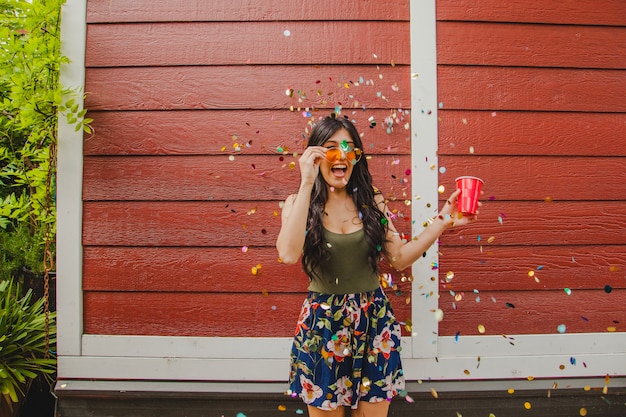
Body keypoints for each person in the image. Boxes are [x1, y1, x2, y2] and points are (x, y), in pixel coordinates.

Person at [276, 114, 479, 417]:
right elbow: (289, 254)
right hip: (322, 325)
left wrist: (443, 222)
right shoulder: (298, 203)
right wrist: (306, 182)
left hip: (374, 323)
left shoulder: (373, 202)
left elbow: (399, 258)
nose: (341, 155)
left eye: (348, 148)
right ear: (315, 155)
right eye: (331, 148)